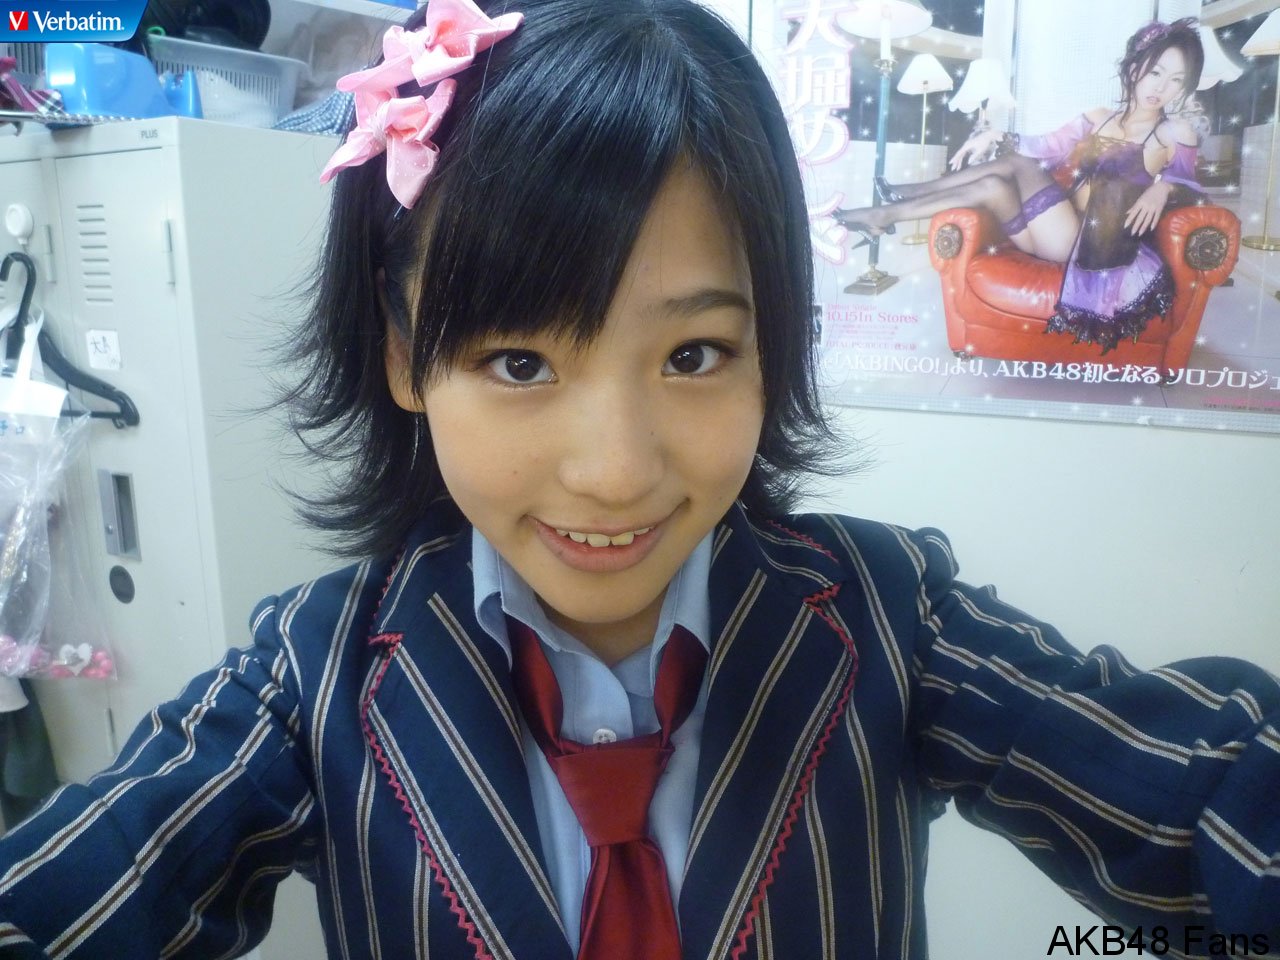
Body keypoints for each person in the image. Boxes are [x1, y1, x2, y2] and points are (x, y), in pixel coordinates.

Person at [0, 2, 1276, 958]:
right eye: (517, 361)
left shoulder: (897, 617)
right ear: (401, 356)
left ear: (772, 346)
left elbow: (1209, 794)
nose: (614, 473)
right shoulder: (311, 672)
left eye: (692, 354)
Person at [836, 18, 1207, 353]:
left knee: (1016, 165)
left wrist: (1163, 188)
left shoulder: (1174, 132)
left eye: (1176, 80)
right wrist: (994, 134)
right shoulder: (1098, 117)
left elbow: (1191, 187)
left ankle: (897, 201)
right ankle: (884, 215)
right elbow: (1044, 145)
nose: (1162, 87)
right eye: (1156, 72)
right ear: (1135, 67)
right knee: (993, 185)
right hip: (1048, 234)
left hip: (1085, 246)